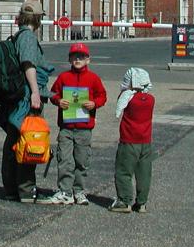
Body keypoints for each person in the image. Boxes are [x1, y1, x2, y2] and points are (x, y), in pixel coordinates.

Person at [0, 1, 55, 203]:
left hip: (17, 98)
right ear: (38, 19)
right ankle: (26, 190)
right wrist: (36, 93)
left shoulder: (18, 36)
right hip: (26, 99)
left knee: (13, 142)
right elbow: (28, 64)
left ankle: (12, 188)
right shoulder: (28, 37)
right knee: (30, 140)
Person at [40, 42, 107, 205]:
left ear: (88, 60)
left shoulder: (93, 78)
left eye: (81, 57)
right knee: (64, 159)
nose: (77, 59)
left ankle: (79, 191)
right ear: (69, 59)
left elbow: (102, 96)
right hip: (66, 127)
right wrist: (58, 100)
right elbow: (53, 93)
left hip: (84, 128)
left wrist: (94, 103)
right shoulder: (64, 77)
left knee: (82, 160)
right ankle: (65, 191)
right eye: (74, 56)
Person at [110, 67, 155, 213]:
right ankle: (141, 202)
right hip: (146, 142)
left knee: (124, 171)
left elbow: (120, 106)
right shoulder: (150, 99)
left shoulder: (128, 97)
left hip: (129, 141)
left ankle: (124, 200)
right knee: (144, 173)